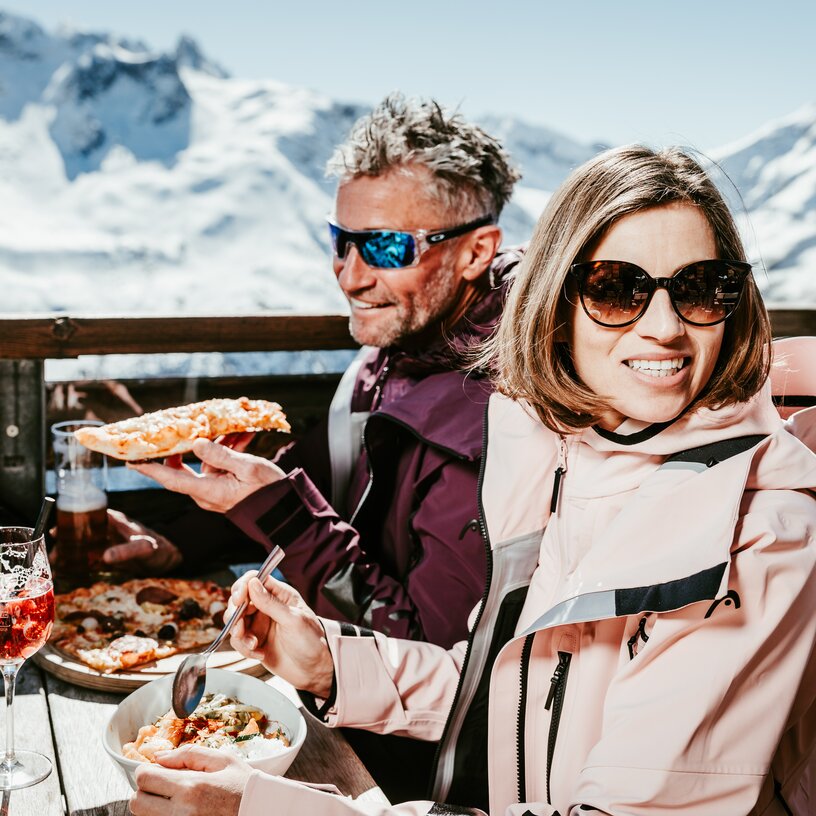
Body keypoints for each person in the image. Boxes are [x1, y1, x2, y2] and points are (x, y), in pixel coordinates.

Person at [130, 144, 816, 816]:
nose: (665, 327)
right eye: (617, 288)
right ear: (556, 301)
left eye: (701, 287)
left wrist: (259, 809)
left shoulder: (760, 534)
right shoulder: (580, 451)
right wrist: (333, 667)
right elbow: (525, 687)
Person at [121, 93, 522, 801]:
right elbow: (310, 481)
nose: (350, 273)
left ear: (475, 252)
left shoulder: (496, 420)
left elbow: (424, 651)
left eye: (387, 247)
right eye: (342, 239)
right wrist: (173, 546)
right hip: (324, 702)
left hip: (402, 775)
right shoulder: (401, 345)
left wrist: (278, 511)